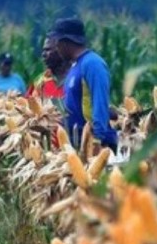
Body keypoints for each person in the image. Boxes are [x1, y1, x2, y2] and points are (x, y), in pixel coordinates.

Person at [47, 17, 118, 150]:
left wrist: (98, 140)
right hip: (77, 143)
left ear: (65, 42)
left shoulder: (92, 64)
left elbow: (100, 103)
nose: (56, 48)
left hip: (94, 144)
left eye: (57, 43)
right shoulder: (75, 66)